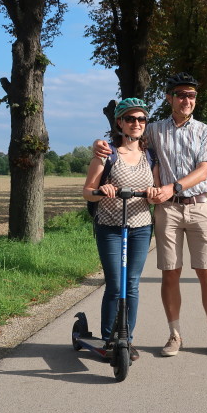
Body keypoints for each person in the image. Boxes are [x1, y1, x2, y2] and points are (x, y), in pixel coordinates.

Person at [94, 72, 207, 358]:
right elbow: (125, 140)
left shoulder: (206, 131)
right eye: (181, 95)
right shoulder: (154, 130)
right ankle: (174, 335)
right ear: (169, 98)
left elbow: (205, 169)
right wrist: (98, 144)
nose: (186, 100)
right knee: (170, 273)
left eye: (191, 95)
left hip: (199, 206)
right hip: (166, 210)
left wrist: (174, 186)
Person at [83, 97, 158, 361]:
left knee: (133, 285)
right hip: (111, 228)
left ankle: (126, 338)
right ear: (120, 123)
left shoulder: (150, 155)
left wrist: (153, 194)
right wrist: (101, 190)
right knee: (115, 285)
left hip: (140, 228)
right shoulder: (107, 154)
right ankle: (108, 339)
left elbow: (157, 192)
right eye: (130, 119)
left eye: (141, 119)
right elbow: (87, 192)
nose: (136, 123)